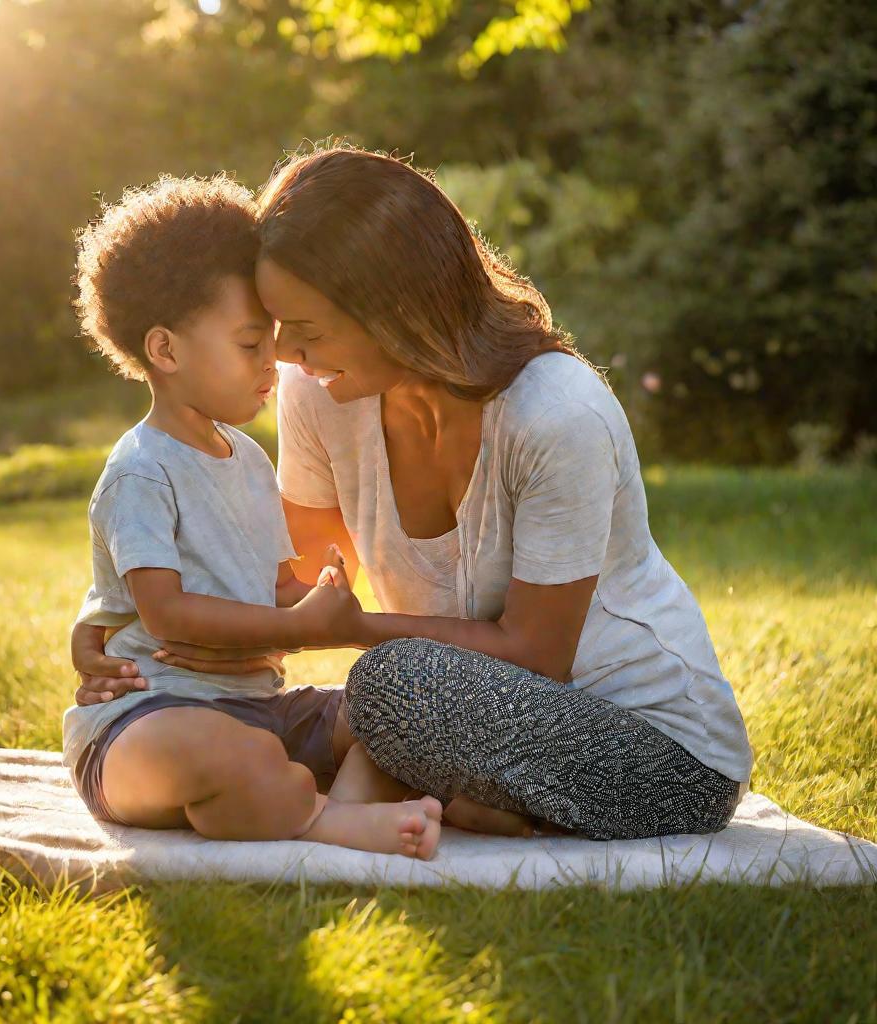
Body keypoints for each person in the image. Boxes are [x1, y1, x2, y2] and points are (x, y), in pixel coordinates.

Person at [78, 147, 755, 841]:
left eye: (305, 331)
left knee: (391, 685)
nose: (283, 356)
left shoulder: (555, 415)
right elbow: (287, 586)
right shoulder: (320, 396)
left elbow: (537, 655)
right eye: (275, 331)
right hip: (469, 720)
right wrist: (111, 633)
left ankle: (434, 793)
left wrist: (348, 631)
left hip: (660, 759)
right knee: (331, 713)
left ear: (395, 309)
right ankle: (451, 799)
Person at [64, 172, 442, 858]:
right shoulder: (141, 470)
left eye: (272, 341)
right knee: (222, 751)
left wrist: (319, 596)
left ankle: (309, 804)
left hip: (260, 710)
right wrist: (295, 629)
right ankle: (330, 821)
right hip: (149, 720)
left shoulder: (245, 459)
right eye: (249, 344)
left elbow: (273, 589)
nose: (275, 363)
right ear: (165, 350)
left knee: (390, 710)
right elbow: (166, 616)